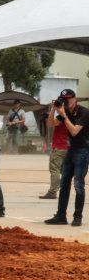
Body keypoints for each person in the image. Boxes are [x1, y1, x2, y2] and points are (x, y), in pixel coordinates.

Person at [45, 89, 89, 226]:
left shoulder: (84, 112)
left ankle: (77, 217)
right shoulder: (66, 111)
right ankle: (61, 216)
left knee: (78, 185)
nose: (66, 101)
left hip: (83, 151)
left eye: (69, 98)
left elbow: (74, 131)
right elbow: (50, 124)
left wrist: (63, 115)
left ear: (75, 99)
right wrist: (53, 109)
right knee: (64, 184)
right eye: (64, 99)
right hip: (70, 150)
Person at [39, 98, 69, 199]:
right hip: (68, 147)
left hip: (59, 147)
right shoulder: (72, 114)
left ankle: (52, 192)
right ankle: (62, 189)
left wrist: (53, 109)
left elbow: (50, 123)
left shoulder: (62, 116)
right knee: (64, 170)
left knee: (54, 170)